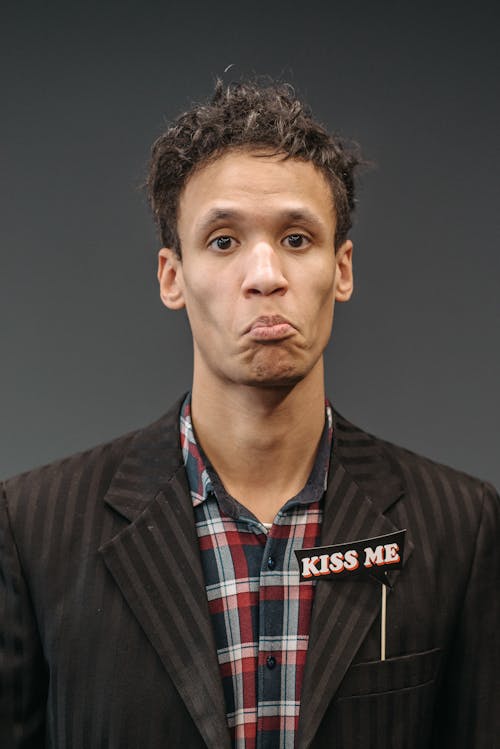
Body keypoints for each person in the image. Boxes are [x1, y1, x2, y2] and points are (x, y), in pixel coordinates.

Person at [1, 79, 498, 749]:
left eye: (297, 238)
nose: (265, 274)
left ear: (341, 268)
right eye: (224, 241)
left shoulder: (460, 528)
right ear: (171, 276)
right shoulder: (34, 529)